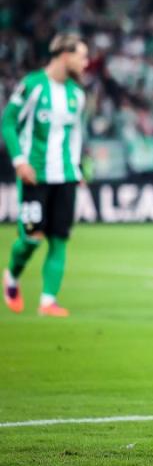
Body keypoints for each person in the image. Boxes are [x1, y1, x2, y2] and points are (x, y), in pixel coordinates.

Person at [2, 33, 88, 317]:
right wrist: (19, 161)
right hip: (34, 174)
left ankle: (48, 301)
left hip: (65, 175)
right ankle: (12, 276)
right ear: (65, 55)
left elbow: (75, 134)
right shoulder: (33, 86)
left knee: (60, 238)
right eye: (82, 56)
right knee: (31, 238)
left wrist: (76, 168)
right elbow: (7, 122)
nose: (86, 63)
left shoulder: (77, 95)